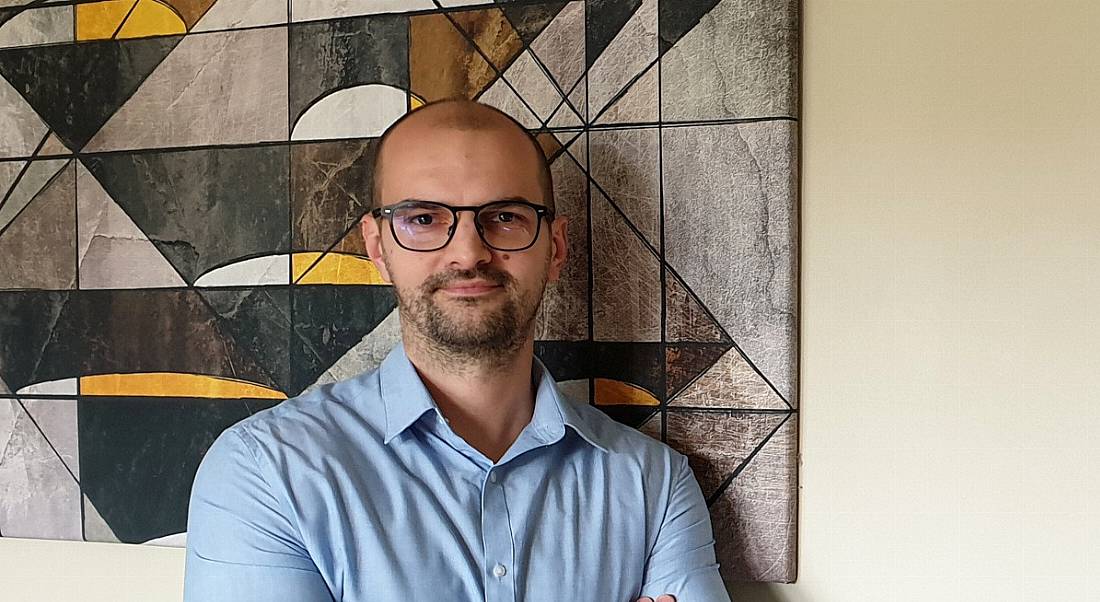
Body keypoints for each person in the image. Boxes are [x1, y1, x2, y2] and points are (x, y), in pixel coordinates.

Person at [183, 98, 731, 602]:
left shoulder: (653, 485)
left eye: (506, 217)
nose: (468, 252)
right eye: (423, 219)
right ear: (377, 246)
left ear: (555, 246)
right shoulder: (264, 471)